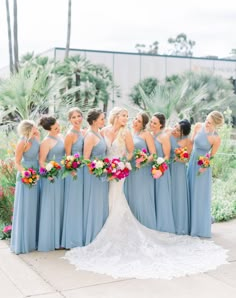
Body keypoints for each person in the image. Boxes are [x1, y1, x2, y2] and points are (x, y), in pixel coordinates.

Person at [64, 107, 227, 280]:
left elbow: (131, 151)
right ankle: (99, 229)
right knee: (105, 201)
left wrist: (122, 164)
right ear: (115, 117)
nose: (128, 119)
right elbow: (91, 140)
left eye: (129, 116)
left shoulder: (127, 133)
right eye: (125, 116)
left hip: (118, 172)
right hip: (104, 172)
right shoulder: (103, 131)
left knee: (117, 199)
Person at [188, 111, 224, 238]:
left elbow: (211, 156)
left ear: (215, 125)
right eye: (207, 120)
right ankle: (188, 222)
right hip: (192, 163)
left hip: (202, 168)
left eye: (209, 123)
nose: (206, 123)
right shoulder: (198, 126)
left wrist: (204, 166)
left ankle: (198, 225)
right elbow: (191, 144)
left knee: (199, 195)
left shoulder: (216, 138)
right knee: (189, 191)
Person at [10, 120, 40, 254]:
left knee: (34, 207)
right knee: (26, 207)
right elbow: (16, 162)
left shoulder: (36, 138)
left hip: (36, 174)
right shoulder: (22, 142)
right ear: (29, 128)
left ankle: (33, 240)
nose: (36, 127)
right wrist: (27, 174)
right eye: (34, 126)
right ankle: (23, 242)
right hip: (26, 175)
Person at [124, 111, 156, 229]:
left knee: (141, 198)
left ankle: (146, 225)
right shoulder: (128, 133)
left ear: (143, 124)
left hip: (142, 171)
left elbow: (153, 154)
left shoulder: (146, 134)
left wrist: (143, 162)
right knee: (130, 197)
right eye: (135, 119)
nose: (135, 122)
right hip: (130, 170)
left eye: (139, 121)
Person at [37, 116, 65, 251]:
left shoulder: (61, 136)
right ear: (48, 129)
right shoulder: (46, 142)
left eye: (58, 126)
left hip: (63, 175)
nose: (58, 129)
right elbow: (41, 161)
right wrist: (49, 173)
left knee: (60, 205)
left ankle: (60, 238)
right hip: (52, 177)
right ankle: (50, 239)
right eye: (55, 128)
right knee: (52, 205)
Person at [83, 108, 109, 245]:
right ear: (94, 121)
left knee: (101, 203)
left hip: (101, 173)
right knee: (95, 204)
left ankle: (101, 235)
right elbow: (86, 159)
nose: (104, 121)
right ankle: (93, 236)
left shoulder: (98, 133)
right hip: (94, 176)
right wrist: (96, 172)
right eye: (101, 119)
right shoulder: (90, 136)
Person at [61, 107, 85, 249]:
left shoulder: (82, 132)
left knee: (80, 202)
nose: (77, 119)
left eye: (79, 116)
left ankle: (80, 235)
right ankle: (71, 239)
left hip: (83, 170)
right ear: (69, 120)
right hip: (74, 172)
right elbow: (67, 156)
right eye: (73, 117)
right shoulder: (70, 134)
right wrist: (72, 170)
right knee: (74, 202)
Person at [150, 112, 175, 233]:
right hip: (150, 170)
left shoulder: (164, 137)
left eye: (155, 123)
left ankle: (164, 226)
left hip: (161, 171)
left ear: (161, 125)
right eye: (151, 122)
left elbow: (167, 156)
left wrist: (159, 165)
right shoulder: (149, 135)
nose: (152, 124)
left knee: (162, 196)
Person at [169, 119, 192, 235]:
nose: (175, 131)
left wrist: (180, 157)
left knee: (178, 194)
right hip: (167, 167)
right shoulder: (169, 134)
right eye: (175, 127)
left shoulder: (188, 141)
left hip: (179, 170)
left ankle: (180, 224)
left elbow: (187, 158)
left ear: (184, 133)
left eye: (178, 130)